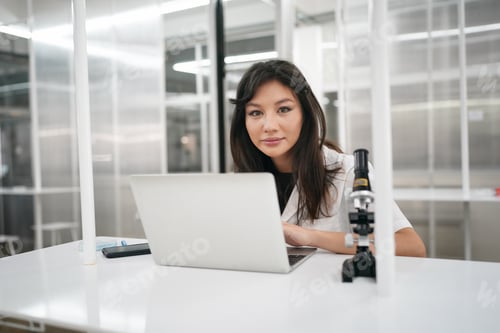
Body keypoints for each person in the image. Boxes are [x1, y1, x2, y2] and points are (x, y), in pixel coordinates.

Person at [229, 59, 426, 257]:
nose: (269, 125)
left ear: (305, 114)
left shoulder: (348, 172)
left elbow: (410, 246)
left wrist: (311, 237)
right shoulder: (241, 181)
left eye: (284, 109)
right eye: (255, 113)